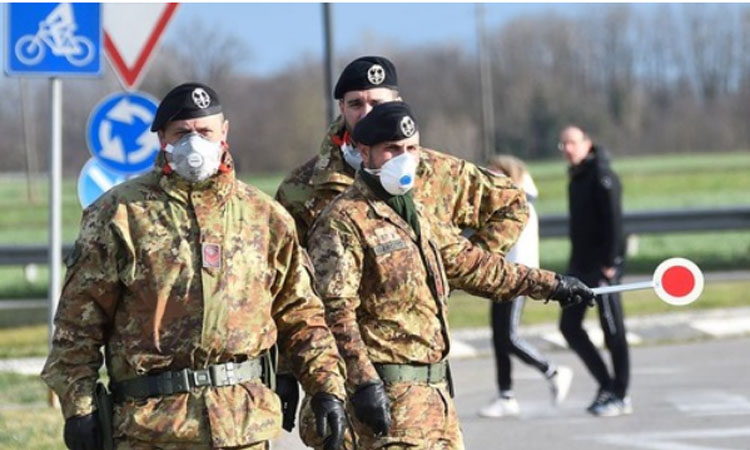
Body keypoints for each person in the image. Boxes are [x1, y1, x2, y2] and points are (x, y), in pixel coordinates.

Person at [41, 82, 349, 450]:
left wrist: (326, 387)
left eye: (204, 131)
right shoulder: (119, 215)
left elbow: (301, 316)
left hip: (243, 428)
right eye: (182, 133)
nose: (194, 143)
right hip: (150, 430)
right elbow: (78, 324)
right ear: (162, 140)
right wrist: (79, 408)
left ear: (224, 133)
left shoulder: (264, 216)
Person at [307, 102, 596, 448]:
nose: (404, 158)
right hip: (387, 404)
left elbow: (471, 265)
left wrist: (552, 285)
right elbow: (334, 314)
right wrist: (363, 383)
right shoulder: (344, 221)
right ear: (365, 152)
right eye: (392, 150)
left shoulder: (419, 214)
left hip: (436, 403)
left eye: (411, 149)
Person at [275, 56, 531, 440]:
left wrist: (453, 268)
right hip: (344, 375)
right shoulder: (303, 187)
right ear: (341, 109)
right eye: (356, 104)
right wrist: (284, 371)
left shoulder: (434, 170)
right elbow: (285, 285)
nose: (366, 112)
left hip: (416, 377)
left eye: (377, 102)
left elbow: (511, 203)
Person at [478, 155, 574, 418]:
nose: (490, 178)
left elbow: (514, 245)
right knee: (498, 337)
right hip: (499, 275)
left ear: (511, 174)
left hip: (516, 277)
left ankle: (553, 371)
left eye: (495, 173)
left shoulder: (519, 202)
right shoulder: (508, 200)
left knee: (508, 336)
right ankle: (505, 395)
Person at [558, 125, 631, 417]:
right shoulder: (576, 178)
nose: (567, 149)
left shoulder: (602, 175)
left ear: (587, 143)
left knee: (612, 330)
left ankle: (620, 394)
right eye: (562, 144)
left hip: (604, 267)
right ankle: (606, 384)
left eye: (572, 143)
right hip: (580, 266)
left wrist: (611, 262)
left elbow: (615, 221)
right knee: (569, 326)